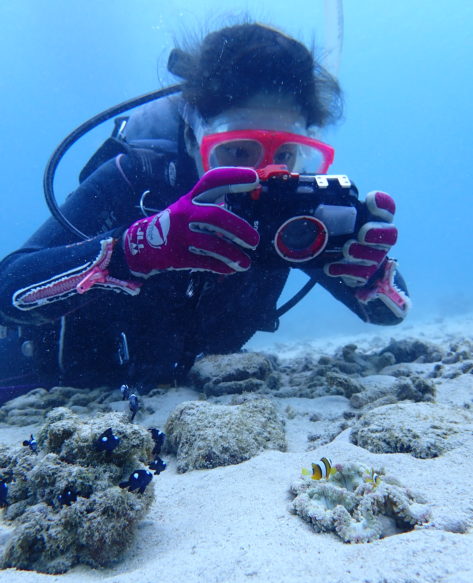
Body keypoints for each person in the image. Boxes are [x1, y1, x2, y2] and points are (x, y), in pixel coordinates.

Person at [0, 22, 410, 403]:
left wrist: (371, 277)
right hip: (41, 385)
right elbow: (7, 290)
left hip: (177, 399)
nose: (265, 174)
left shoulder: (295, 209)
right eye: (235, 151)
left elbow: (387, 313)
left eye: (285, 154)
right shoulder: (138, 176)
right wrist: (133, 250)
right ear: (195, 134)